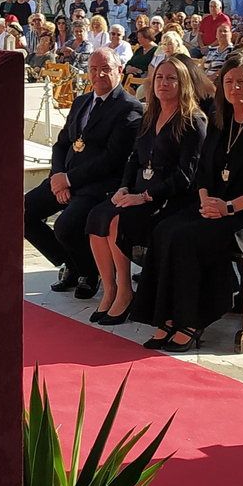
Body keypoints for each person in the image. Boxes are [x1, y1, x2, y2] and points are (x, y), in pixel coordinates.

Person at [132, 52, 243, 350]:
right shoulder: (220, 121)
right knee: (164, 230)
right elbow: (203, 172)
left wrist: (227, 207)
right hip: (214, 206)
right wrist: (206, 201)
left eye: (241, 82)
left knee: (190, 238)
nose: (234, 88)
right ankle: (166, 317)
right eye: (228, 82)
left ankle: (192, 321)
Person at [84, 56, 207, 325]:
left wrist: (145, 196)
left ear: (182, 83)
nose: (163, 83)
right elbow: (134, 159)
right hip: (137, 190)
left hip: (169, 198)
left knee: (118, 221)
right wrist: (124, 187)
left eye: (171, 78)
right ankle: (111, 289)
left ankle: (126, 292)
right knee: (97, 217)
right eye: (159, 78)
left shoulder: (193, 122)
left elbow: (186, 175)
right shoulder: (149, 115)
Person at [25, 48, 145, 302]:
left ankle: (90, 273)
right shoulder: (81, 102)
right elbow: (62, 144)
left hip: (98, 184)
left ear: (119, 71)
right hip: (65, 178)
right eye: (93, 69)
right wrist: (59, 176)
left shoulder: (129, 108)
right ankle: (71, 264)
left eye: (105, 69)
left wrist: (69, 180)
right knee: (23, 213)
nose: (98, 74)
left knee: (65, 226)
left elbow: (111, 159)